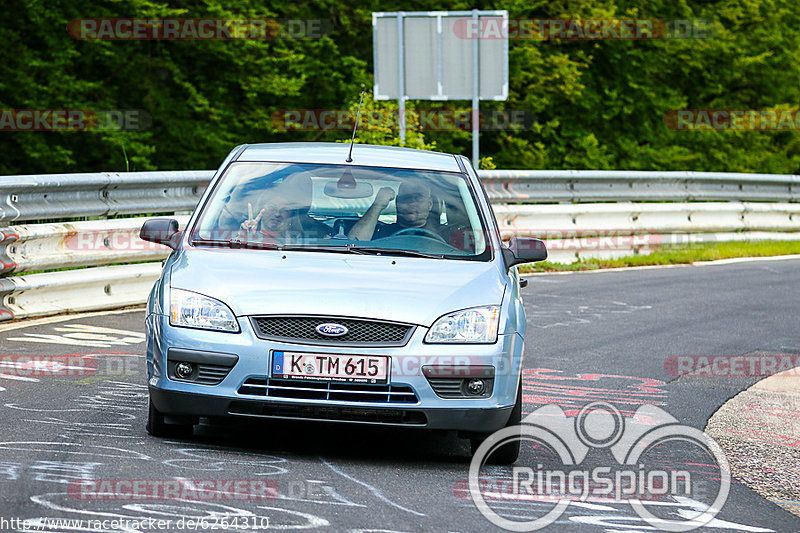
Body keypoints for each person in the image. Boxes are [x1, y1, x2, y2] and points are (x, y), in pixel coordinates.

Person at [348, 180, 440, 241]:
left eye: (418, 198)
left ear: (430, 204)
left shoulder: (442, 234)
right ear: (397, 202)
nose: (411, 203)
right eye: (406, 198)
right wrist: (377, 205)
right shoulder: (379, 232)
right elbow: (355, 241)